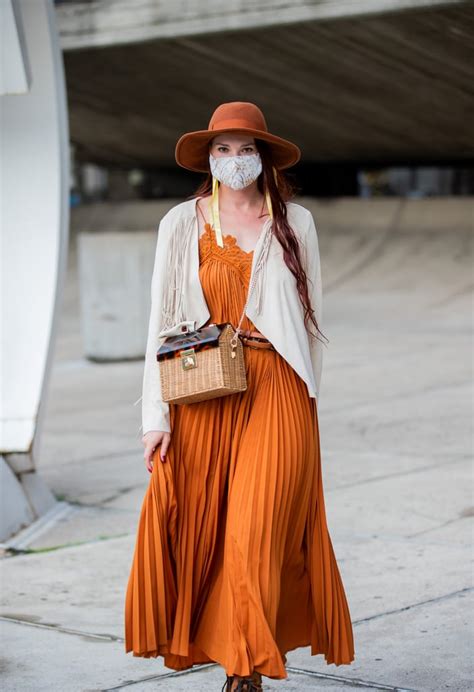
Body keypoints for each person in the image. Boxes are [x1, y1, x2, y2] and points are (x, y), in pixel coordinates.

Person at [124, 102, 355, 691]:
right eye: (222, 149)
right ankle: (239, 663)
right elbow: (158, 322)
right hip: (202, 389)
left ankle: (245, 667)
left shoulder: (295, 222)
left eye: (244, 148)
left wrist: (309, 399)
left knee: (255, 532)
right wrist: (156, 415)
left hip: (277, 388)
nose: (233, 159)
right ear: (208, 159)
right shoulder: (181, 223)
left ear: (264, 157)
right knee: (207, 531)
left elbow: (313, 322)